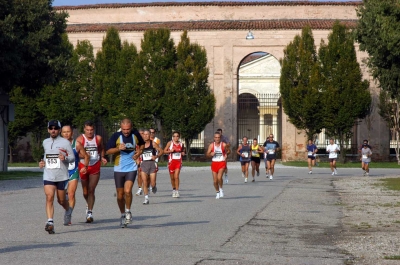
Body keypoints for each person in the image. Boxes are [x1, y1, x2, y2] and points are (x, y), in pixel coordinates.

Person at [106, 119, 144, 227]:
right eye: (124, 129)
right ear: (120, 127)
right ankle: (122, 214)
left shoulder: (135, 134)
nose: (126, 131)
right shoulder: (116, 136)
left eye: (128, 129)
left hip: (131, 167)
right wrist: (118, 148)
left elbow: (142, 145)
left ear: (131, 127)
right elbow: (108, 151)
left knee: (128, 191)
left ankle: (128, 211)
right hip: (119, 168)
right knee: (119, 195)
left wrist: (139, 152)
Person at [39, 120, 75, 234]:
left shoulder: (65, 143)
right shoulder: (45, 142)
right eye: (51, 128)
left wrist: (65, 158)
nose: (53, 130)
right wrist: (42, 163)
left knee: (61, 200)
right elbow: (46, 156)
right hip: (48, 174)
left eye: (55, 128)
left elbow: (72, 158)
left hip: (61, 175)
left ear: (59, 130)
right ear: (48, 129)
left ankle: (68, 210)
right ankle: (50, 222)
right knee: (49, 197)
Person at [76, 120, 108, 223]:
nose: (89, 132)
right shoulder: (80, 139)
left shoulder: (98, 138)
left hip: (95, 165)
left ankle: (89, 212)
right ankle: (88, 203)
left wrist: (102, 157)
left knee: (91, 189)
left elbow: (102, 148)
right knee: (85, 192)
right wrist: (85, 156)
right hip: (83, 165)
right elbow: (76, 154)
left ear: (94, 129)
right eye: (87, 130)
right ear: (84, 129)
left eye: (91, 130)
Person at [61, 125, 89, 226]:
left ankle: (68, 215)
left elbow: (86, 156)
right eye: (64, 132)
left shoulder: (77, 144)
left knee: (71, 194)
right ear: (61, 133)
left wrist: (85, 166)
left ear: (72, 133)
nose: (66, 134)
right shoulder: (57, 144)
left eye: (68, 132)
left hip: (73, 171)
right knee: (61, 198)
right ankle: (67, 208)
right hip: (60, 173)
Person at [140, 129, 164, 205]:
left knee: (152, 182)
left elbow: (161, 151)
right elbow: (137, 153)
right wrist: (137, 159)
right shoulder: (140, 144)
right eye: (144, 134)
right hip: (144, 164)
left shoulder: (153, 143)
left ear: (150, 135)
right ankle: (146, 198)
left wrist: (156, 156)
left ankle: (154, 187)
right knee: (145, 182)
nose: (145, 136)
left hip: (152, 164)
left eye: (147, 134)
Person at [206, 132, 230, 199]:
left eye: (218, 137)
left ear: (220, 138)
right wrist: (211, 154)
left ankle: (221, 189)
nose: (217, 139)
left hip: (221, 162)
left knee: (219, 178)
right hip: (214, 163)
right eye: (216, 137)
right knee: (215, 181)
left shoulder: (223, 144)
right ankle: (217, 192)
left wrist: (226, 154)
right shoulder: (211, 145)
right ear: (214, 138)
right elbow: (207, 154)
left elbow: (229, 151)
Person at [164, 131, 186, 198]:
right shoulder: (170, 143)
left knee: (176, 176)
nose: (176, 138)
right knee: (172, 178)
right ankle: (173, 189)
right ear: (172, 137)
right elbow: (164, 151)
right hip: (171, 162)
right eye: (174, 136)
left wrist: (183, 153)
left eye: (177, 136)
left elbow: (183, 150)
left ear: (179, 137)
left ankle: (177, 191)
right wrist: (170, 151)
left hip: (178, 162)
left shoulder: (181, 144)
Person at [135, 128, 145, 196]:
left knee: (146, 175)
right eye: (140, 134)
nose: (141, 135)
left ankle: (147, 185)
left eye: (142, 133)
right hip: (139, 159)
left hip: (147, 159)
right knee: (139, 173)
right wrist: (136, 159)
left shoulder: (147, 142)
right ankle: (139, 188)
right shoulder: (135, 142)